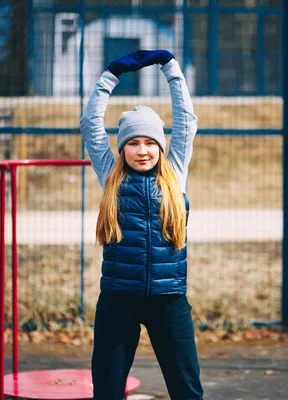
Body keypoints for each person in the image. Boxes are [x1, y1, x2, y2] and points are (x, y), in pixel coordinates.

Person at [80, 50, 203, 400]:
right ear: (122, 148)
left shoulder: (175, 172)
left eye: (150, 142)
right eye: (133, 142)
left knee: (187, 389)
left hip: (169, 299)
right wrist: (111, 74)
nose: (142, 150)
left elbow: (186, 120)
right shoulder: (110, 176)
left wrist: (172, 69)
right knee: (106, 388)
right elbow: (90, 124)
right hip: (119, 298)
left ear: (161, 147)